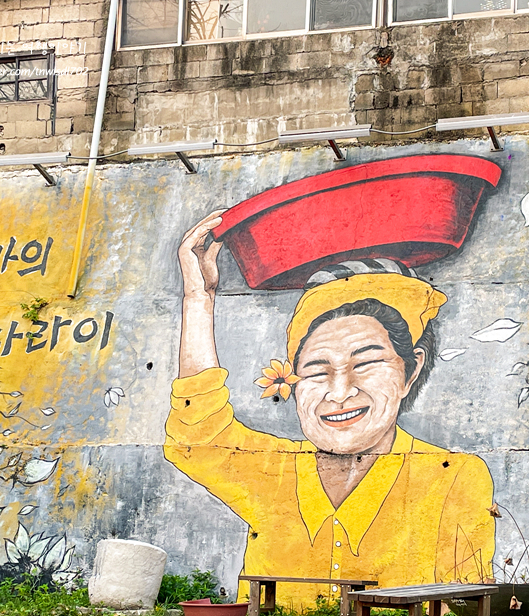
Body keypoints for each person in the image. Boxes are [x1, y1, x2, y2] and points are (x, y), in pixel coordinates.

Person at [165, 211, 495, 608]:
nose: (339, 393)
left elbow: (465, 602)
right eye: (317, 370)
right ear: (294, 381)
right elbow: (196, 435)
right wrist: (198, 300)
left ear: (411, 370)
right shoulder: (273, 470)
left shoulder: (452, 477)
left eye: (367, 363)